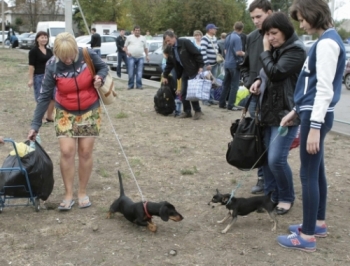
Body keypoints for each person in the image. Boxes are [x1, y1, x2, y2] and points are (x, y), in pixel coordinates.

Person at [277, 0, 346, 252]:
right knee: (316, 171)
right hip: (309, 114)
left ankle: (306, 237)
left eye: (302, 18)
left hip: (315, 117)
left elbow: (325, 89)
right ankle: (317, 223)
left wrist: (314, 125)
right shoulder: (327, 40)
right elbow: (313, 86)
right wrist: (295, 111)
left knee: (308, 174)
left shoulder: (327, 43)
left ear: (313, 14)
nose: (301, 24)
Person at [27, 32, 109, 211]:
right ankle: (68, 194)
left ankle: (82, 192)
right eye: (64, 57)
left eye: (71, 55)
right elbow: (44, 96)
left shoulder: (87, 54)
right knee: (66, 152)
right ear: (57, 53)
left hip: (90, 110)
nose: (68, 59)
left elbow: (104, 68)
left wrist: (99, 77)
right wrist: (35, 125)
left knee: (85, 152)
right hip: (65, 111)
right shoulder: (52, 66)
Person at [249, 12, 306, 216]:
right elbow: (267, 73)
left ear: (285, 30)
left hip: (286, 114)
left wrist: (265, 51)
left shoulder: (295, 50)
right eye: (267, 34)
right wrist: (258, 80)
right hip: (268, 112)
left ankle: (286, 197)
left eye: (273, 33)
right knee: (265, 158)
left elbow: (277, 72)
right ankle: (271, 196)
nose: (270, 38)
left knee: (276, 159)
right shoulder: (277, 49)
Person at [240, 0, 272, 194]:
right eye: (252, 18)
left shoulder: (279, 37)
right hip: (254, 100)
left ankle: (273, 179)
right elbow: (244, 66)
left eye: (259, 16)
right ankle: (261, 178)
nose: (255, 21)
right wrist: (248, 82)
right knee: (258, 138)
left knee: (272, 142)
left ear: (270, 13)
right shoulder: (251, 37)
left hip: (274, 100)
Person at [162, 30, 204, 120]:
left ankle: (197, 111)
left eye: (169, 40)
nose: (168, 43)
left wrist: (200, 66)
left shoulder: (185, 43)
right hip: (184, 71)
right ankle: (187, 111)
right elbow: (169, 63)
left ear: (174, 37)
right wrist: (165, 75)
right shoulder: (170, 49)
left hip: (193, 69)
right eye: (166, 41)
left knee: (192, 92)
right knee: (183, 92)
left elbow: (197, 54)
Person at [28, 31, 54, 123]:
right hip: (39, 76)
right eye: (42, 37)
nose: (44, 39)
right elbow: (31, 66)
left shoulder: (50, 50)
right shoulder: (33, 51)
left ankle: (49, 116)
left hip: (50, 77)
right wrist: (31, 79)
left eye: (46, 37)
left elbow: (53, 63)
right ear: (37, 39)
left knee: (53, 97)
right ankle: (41, 117)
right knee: (41, 98)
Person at [219, 23, 245, 111]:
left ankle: (221, 103)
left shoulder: (228, 36)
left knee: (226, 84)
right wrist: (246, 54)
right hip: (234, 64)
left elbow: (225, 51)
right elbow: (238, 52)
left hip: (227, 63)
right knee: (234, 85)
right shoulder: (237, 38)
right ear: (241, 29)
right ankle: (231, 104)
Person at [124, 25, 149, 90]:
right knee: (131, 72)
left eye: (138, 30)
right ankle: (130, 85)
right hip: (131, 57)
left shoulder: (143, 38)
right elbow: (125, 47)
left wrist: (147, 56)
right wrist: (127, 52)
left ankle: (139, 85)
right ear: (134, 31)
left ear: (140, 31)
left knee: (139, 72)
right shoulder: (129, 37)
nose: (137, 32)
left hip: (140, 57)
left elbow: (146, 48)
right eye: (136, 30)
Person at [201, 24, 220, 106]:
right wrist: (207, 63)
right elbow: (203, 51)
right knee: (206, 82)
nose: (216, 30)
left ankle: (211, 98)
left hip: (215, 63)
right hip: (208, 64)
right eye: (214, 29)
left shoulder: (214, 38)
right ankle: (205, 100)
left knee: (213, 83)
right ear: (210, 30)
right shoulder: (205, 38)